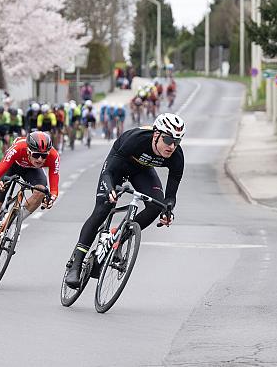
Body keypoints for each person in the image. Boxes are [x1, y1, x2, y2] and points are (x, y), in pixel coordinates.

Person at [64, 113, 186, 289]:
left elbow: (170, 197)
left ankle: (118, 239)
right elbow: (108, 172)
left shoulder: (177, 156)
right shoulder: (135, 140)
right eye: (168, 139)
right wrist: (110, 189)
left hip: (142, 171)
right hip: (117, 166)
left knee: (156, 206)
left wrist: (168, 209)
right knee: (103, 208)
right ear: (156, 134)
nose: (172, 146)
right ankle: (76, 262)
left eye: (177, 141)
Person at [0, 131, 60, 271]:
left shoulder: (53, 156)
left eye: (43, 156)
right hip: (12, 166)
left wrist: (51, 198)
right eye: (36, 155)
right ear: (28, 151)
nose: (40, 159)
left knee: (41, 190)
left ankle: (15, 221)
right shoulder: (18, 148)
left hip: (32, 171)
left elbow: (53, 189)